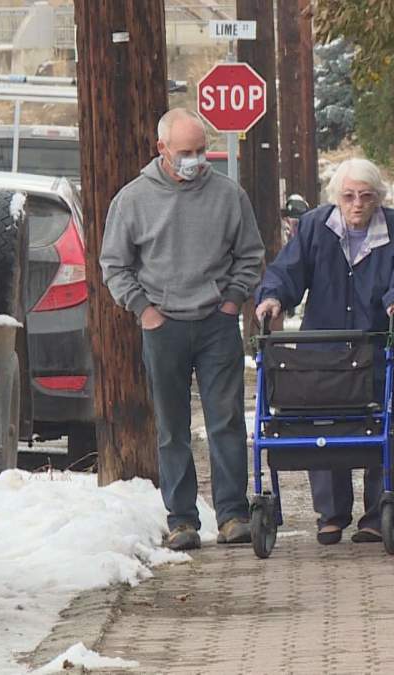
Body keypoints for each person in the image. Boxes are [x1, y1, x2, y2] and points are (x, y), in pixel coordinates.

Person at [100, 108, 264, 551]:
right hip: (163, 324)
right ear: (162, 150)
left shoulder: (229, 196)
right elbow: (114, 264)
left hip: (216, 322)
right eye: (184, 153)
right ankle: (182, 520)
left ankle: (233, 514)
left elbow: (251, 254)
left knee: (225, 421)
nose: (194, 160)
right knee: (172, 427)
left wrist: (232, 301)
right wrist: (144, 311)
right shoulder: (133, 200)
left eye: (199, 151)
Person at [255, 158, 394, 545]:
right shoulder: (316, 226)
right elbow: (287, 271)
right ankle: (331, 513)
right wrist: (272, 298)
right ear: (336, 199)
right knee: (325, 425)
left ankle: (379, 510)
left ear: (378, 198)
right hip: (327, 347)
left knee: (387, 424)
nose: (357, 204)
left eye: (366, 196)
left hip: (379, 345)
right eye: (348, 196)